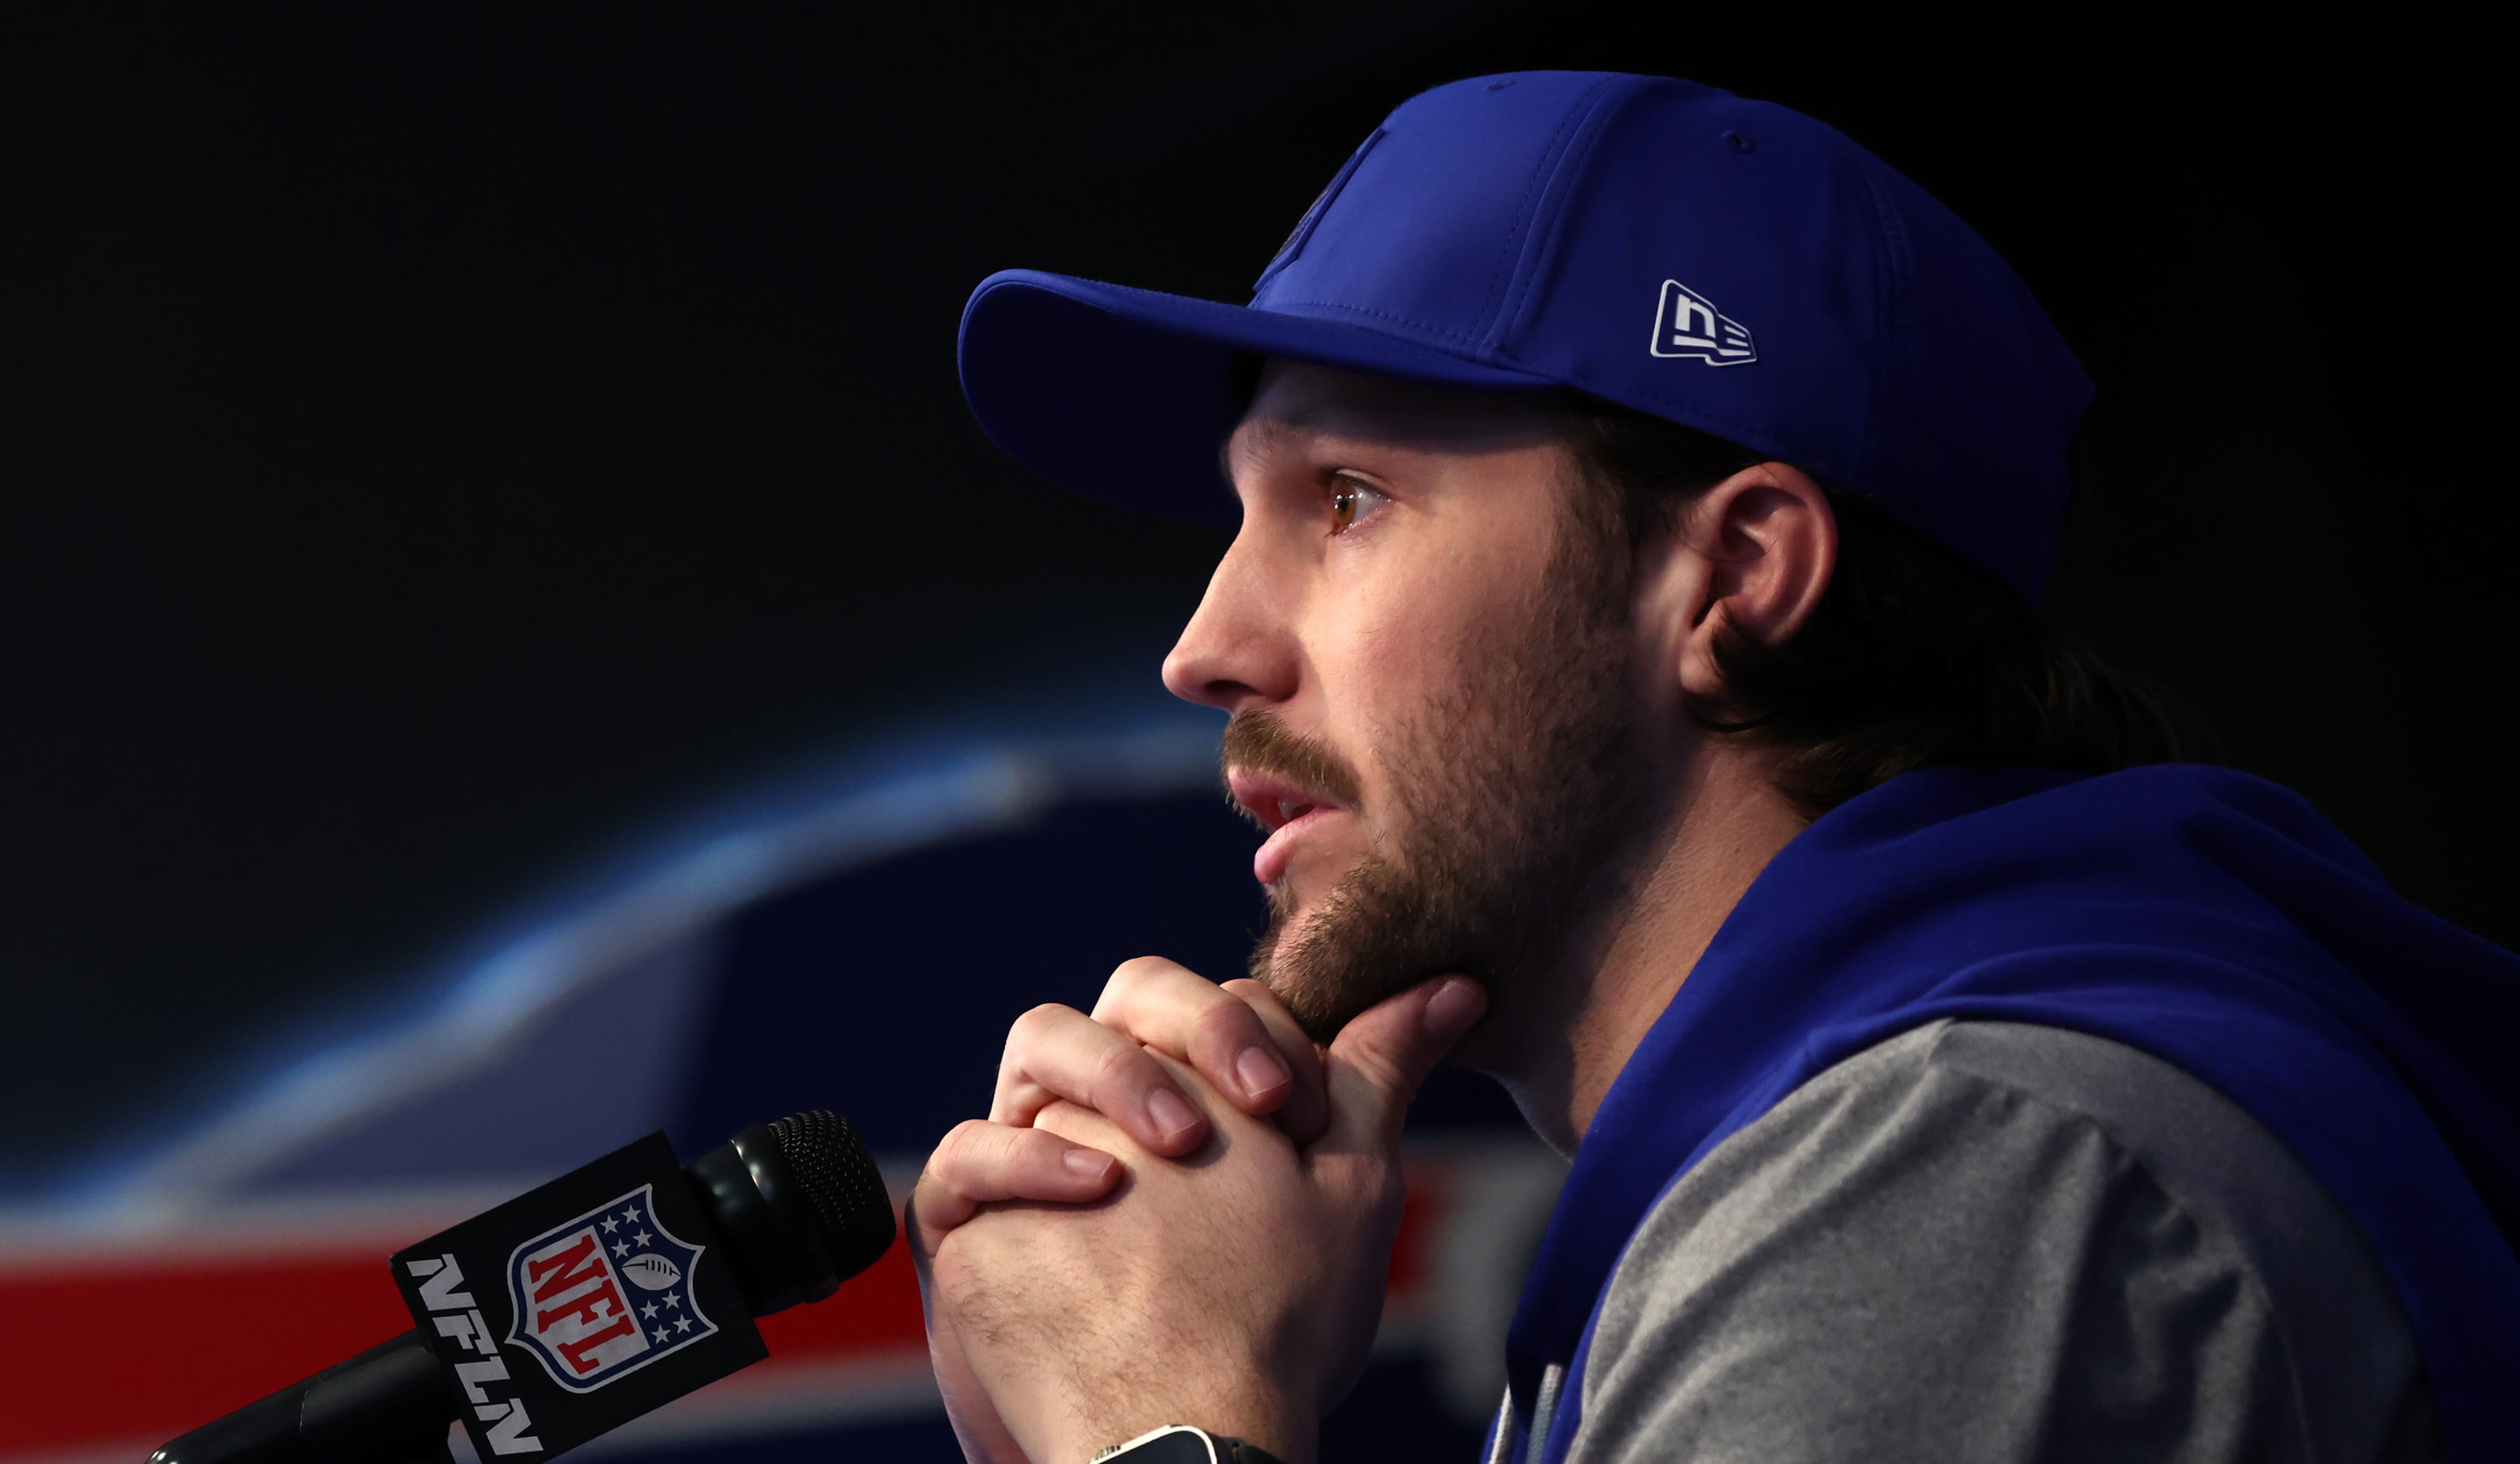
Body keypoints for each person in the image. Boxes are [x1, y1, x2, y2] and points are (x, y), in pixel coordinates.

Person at [906, 72, 2519, 1464]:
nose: (1204, 648)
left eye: (1345, 498)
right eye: (1241, 517)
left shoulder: (1955, 1173)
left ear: (1738, 575)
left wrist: (1157, 1420)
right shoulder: (1826, 1173)